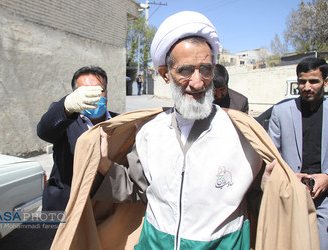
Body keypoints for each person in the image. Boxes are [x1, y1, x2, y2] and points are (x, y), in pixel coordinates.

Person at [51, 11, 319, 250]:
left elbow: (261, 204)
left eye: (206, 69)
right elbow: (138, 190)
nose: (197, 81)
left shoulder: (242, 132)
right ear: (165, 74)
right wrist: (104, 162)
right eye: (186, 70)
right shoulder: (148, 132)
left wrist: (272, 186)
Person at [37, 65, 117, 211]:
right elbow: (44, 131)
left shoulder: (118, 122)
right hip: (64, 206)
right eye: (85, 92)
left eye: (99, 91)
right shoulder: (64, 119)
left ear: (107, 92)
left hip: (102, 207)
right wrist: (66, 107)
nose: (93, 96)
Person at [268, 57, 328, 250]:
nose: (307, 87)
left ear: (325, 82)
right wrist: (288, 177)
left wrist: (326, 177)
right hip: (291, 193)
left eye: (313, 81)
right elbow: (270, 155)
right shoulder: (281, 112)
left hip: (325, 197)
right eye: (302, 82)